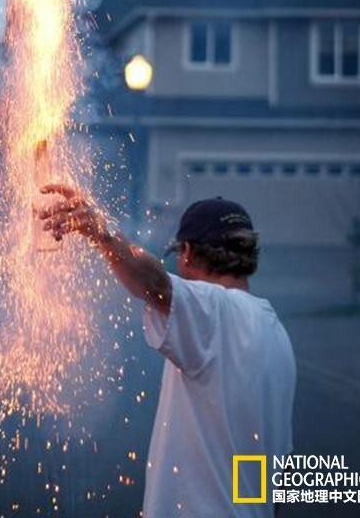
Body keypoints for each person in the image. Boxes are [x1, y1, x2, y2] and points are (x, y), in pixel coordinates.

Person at [39, 187, 296, 518]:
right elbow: (268, 472)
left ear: (187, 252)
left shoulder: (215, 311)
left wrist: (102, 234)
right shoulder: (275, 332)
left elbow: (155, 284)